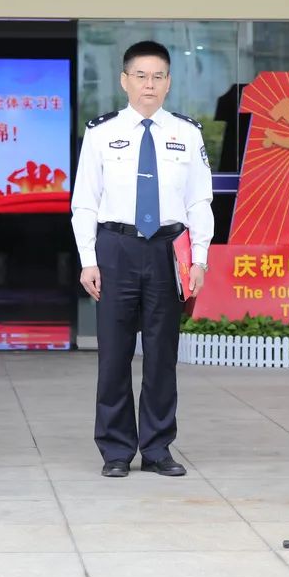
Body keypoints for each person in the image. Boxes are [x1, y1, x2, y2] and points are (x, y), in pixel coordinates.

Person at [71, 40, 214, 478]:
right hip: (116, 248)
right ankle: (116, 450)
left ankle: (157, 448)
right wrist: (88, 259)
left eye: (157, 77)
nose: (148, 85)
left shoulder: (187, 133)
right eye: (140, 76)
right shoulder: (100, 133)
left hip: (168, 251)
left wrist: (200, 259)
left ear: (168, 83)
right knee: (113, 356)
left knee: (161, 355)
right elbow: (84, 202)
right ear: (124, 81)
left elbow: (199, 201)